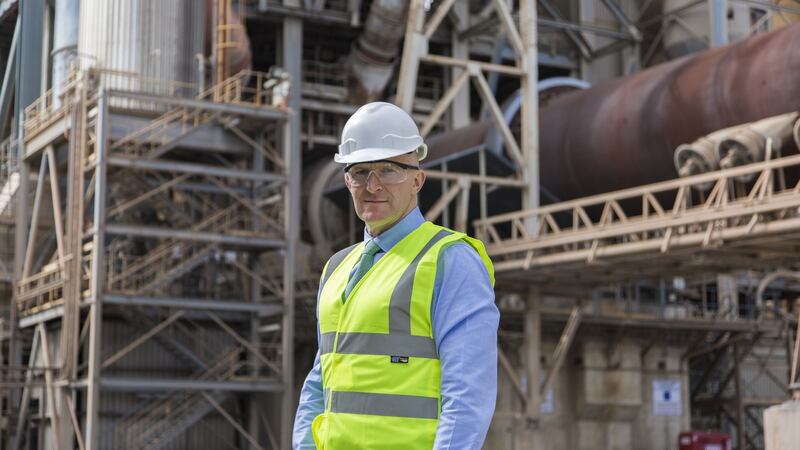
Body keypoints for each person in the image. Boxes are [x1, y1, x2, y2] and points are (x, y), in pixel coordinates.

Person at [292, 102, 499, 450]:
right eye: (360, 172)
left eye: (389, 170)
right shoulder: (337, 269)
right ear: (346, 180)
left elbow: (467, 397)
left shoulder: (450, 260)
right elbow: (320, 382)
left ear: (417, 179)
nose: (372, 186)